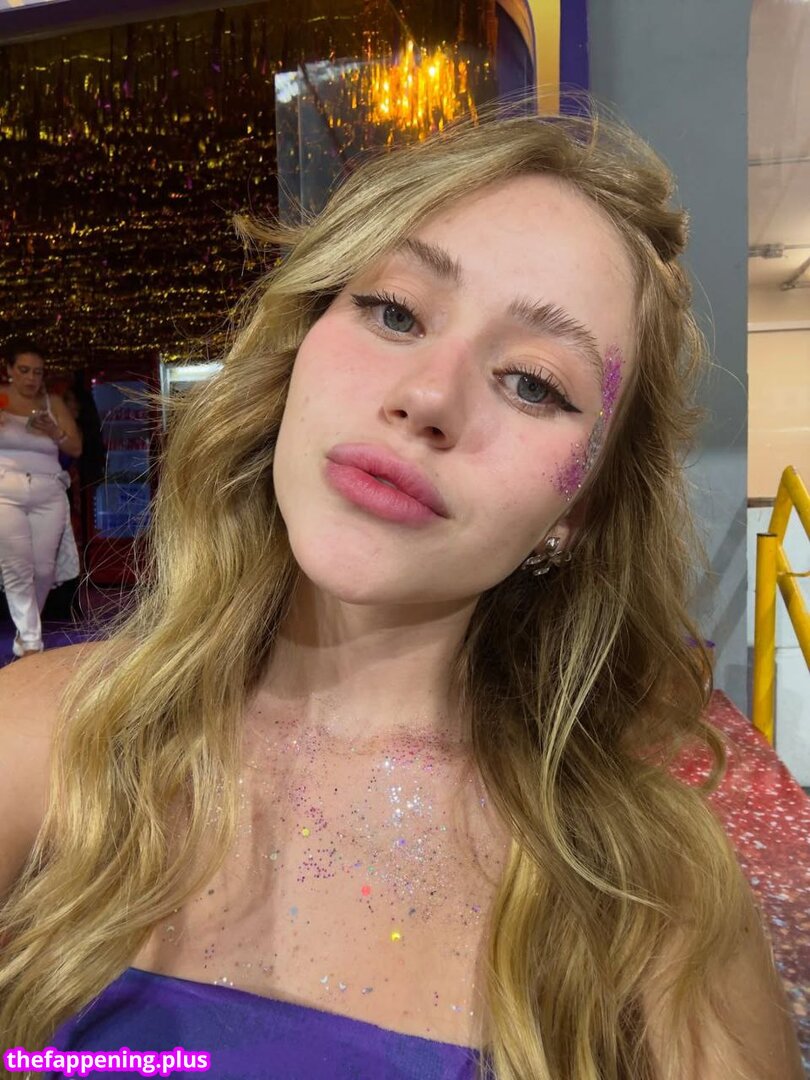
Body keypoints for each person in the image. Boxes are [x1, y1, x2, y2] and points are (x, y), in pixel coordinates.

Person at [0, 109, 804, 1080]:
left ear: (581, 509)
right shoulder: (40, 740)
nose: (427, 396)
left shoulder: (656, 897)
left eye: (533, 383)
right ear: (298, 347)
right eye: (395, 312)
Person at [0, 340, 82, 657]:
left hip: (49, 491)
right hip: (6, 490)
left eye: (37, 372)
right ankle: (32, 641)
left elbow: (76, 448)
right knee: (17, 566)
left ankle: (26, 635)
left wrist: (54, 431)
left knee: (44, 569)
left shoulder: (53, 402)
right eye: (24, 370)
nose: (31, 378)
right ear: (9, 369)